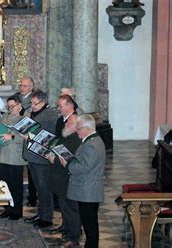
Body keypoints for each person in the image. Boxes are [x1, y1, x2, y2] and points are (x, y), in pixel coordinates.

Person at [59, 114, 105, 248]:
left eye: (78, 128)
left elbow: (84, 167)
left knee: (90, 225)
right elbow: (83, 160)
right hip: (87, 189)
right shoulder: (90, 141)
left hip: (88, 190)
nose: (76, 130)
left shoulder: (92, 144)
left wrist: (67, 165)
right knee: (89, 224)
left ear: (87, 128)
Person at [22, 90, 58, 229]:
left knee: (45, 188)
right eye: (31, 103)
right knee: (38, 188)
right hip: (32, 156)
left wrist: (30, 136)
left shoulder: (50, 115)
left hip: (42, 158)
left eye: (35, 103)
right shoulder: (33, 112)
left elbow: (49, 137)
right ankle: (40, 214)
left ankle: (47, 218)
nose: (32, 106)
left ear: (43, 102)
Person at [46, 115, 82, 246]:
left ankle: (74, 236)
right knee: (65, 209)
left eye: (69, 124)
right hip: (60, 180)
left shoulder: (76, 140)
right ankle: (67, 230)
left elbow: (68, 159)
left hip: (67, 180)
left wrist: (53, 159)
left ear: (76, 127)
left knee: (71, 210)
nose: (66, 125)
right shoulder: (67, 137)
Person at [0, 93, 27, 221]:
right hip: (4, 154)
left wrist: (12, 136)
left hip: (16, 156)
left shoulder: (25, 117)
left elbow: (27, 135)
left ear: (19, 105)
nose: (10, 109)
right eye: (8, 107)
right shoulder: (5, 116)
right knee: (4, 184)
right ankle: (7, 209)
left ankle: (17, 211)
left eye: (12, 106)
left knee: (16, 185)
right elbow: (0, 132)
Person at [18, 76, 37, 207]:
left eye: (25, 86)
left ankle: (33, 196)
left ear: (31, 87)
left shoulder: (34, 100)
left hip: (28, 139)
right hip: (17, 139)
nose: (22, 88)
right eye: (21, 85)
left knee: (31, 170)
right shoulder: (16, 97)